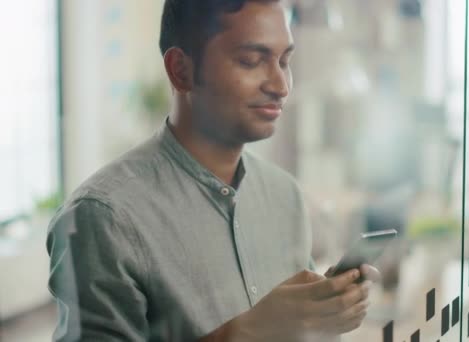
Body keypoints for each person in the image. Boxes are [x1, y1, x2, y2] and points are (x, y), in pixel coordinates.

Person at [47, 0, 380, 341]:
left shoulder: (285, 194)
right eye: (251, 61)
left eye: (284, 61)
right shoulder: (104, 218)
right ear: (181, 70)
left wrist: (324, 313)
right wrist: (248, 331)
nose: (280, 86)